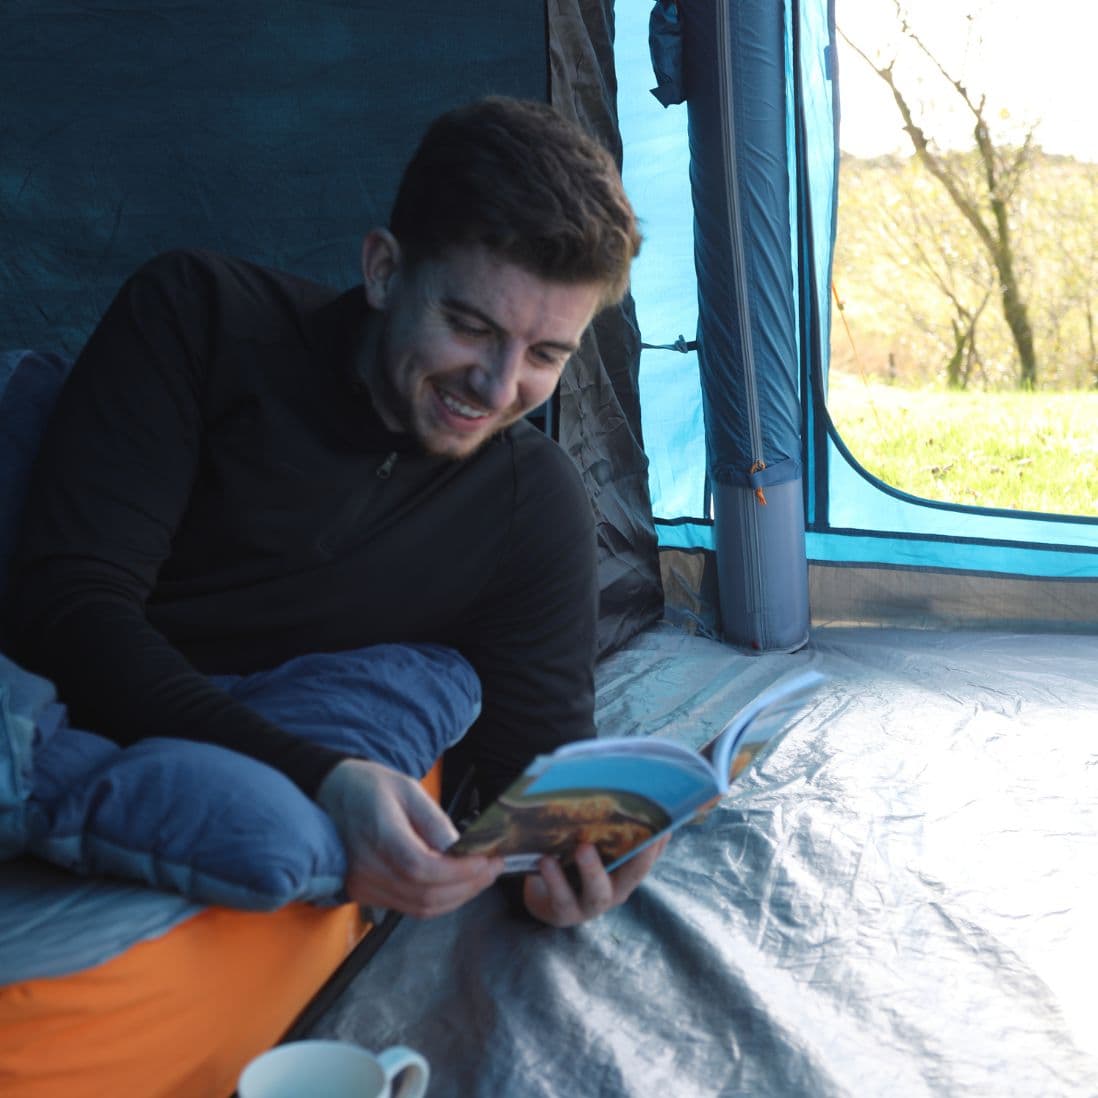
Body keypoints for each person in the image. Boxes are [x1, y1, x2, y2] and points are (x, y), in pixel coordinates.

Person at [6, 97, 667, 928]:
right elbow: (68, 613)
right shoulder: (199, 316)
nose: (498, 390)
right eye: (470, 327)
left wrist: (565, 871)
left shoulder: (531, 508)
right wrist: (320, 774)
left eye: (544, 356)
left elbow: (522, 789)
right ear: (385, 270)